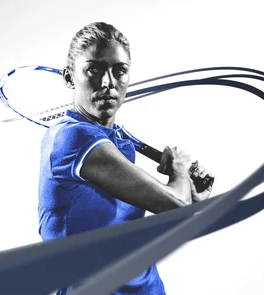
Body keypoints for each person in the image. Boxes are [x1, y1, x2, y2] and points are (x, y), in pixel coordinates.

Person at [38, 22, 214, 295]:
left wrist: (190, 192)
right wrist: (179, 170)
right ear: (69, 77)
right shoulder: (73, 139)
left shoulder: (117, 141)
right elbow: (175, 206)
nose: (108, 83)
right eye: (94, 69)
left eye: (119, 71)